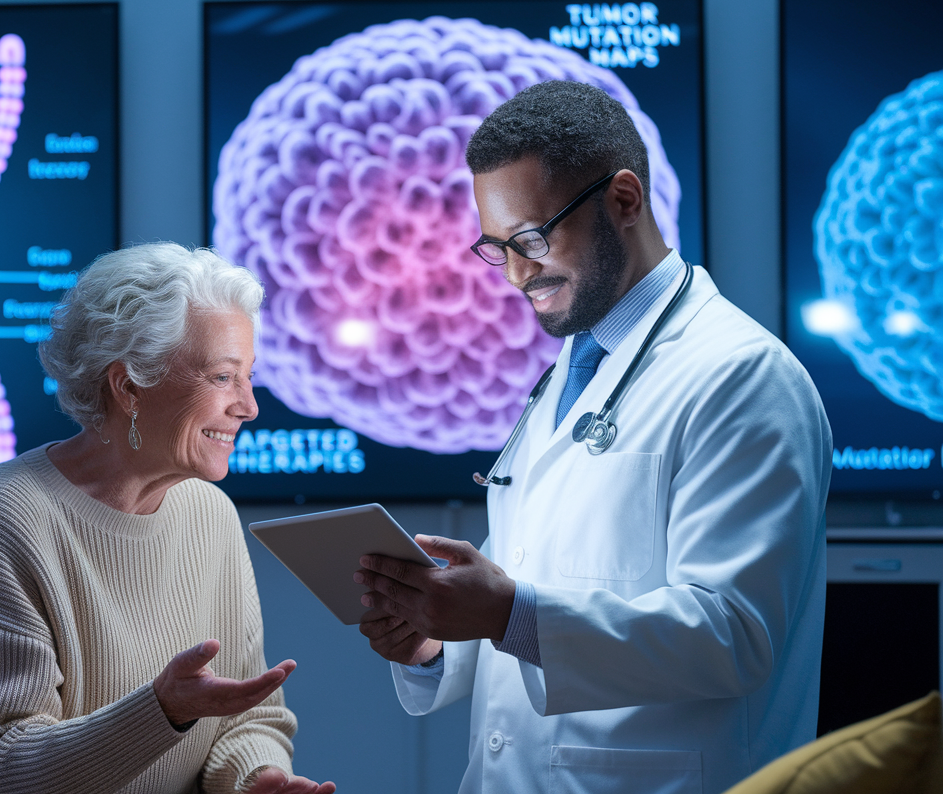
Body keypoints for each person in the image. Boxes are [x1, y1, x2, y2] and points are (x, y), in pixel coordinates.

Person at [354, 80, 832, 794]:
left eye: (533, 238)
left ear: (625, 200)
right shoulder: (573, 370)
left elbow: (734, 635)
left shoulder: (743, 377)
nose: (516, 274)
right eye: (497, 248)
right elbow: (551, 575)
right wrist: (433, 638)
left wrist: (509, 612)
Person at [0, 243, 335, 794]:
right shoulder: (3, 516)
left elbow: (244, 717)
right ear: (129, 385)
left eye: (248, 376)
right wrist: (162, 711)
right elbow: (7, 772)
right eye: (223, 378)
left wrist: (255, 779)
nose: (249, 406)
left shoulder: (210, 514)